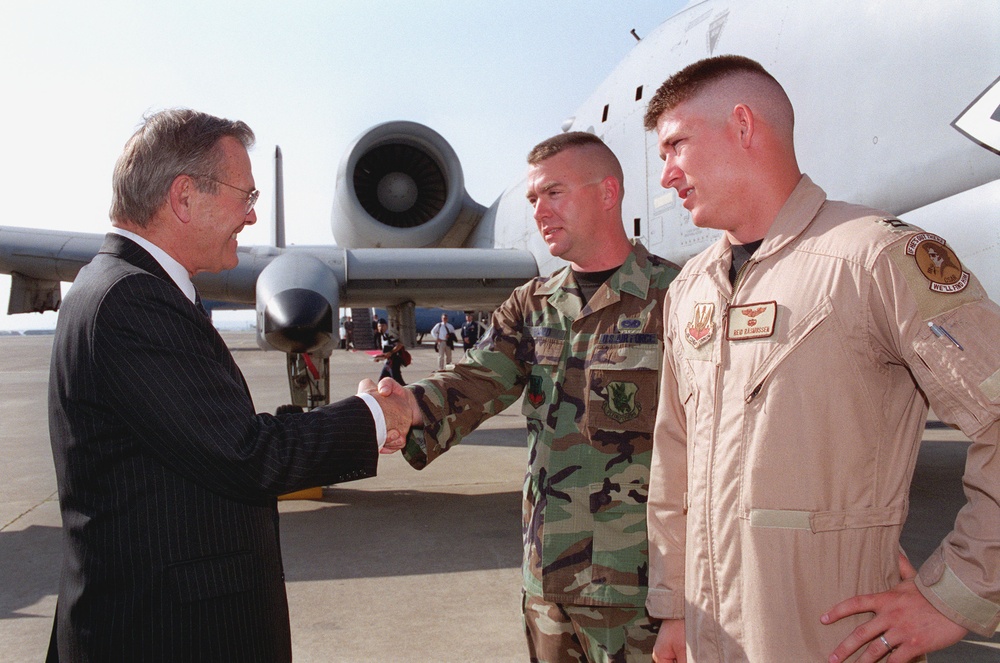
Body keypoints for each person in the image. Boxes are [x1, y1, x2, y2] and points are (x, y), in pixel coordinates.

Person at [642, 55, 1000, 662]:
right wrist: (675, 607)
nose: (667, 176)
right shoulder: (690, 288)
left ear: (744, 125)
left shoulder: (876, 257)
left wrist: (957, 595)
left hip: (829, 642)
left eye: (676, 145)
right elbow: (673, 456)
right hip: (712, 639)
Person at [46, 109, 411, 663]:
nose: (252, 215)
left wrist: (352, 416)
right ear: (184, 197)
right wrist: (375, 417)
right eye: (245, 195)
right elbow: (247, 457)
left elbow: (214, 436)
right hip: (169, 634)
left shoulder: (122, 287)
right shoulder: (132, 301)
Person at [381, 132, 680, 661]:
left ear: (608, 193)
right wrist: (403, 407)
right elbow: (474, 381)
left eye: (555, 193)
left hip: (641, 596)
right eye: (533, 199)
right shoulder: (531, 306)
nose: (539, 211)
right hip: (548, 586)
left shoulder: (676, 299)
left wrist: (684, 600)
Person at [374, 317, 406, 385]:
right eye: (379, 326)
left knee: (397, 381)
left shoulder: (390, 335)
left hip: (394, 361)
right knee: (382, 380)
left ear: (386, 326)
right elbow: (386, 351)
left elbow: (400, 345)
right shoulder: (383, 336)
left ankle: (410, 392)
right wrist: (379, 358)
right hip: (389, 362)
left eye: (383, 325)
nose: (381, 328)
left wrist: (391, 352)